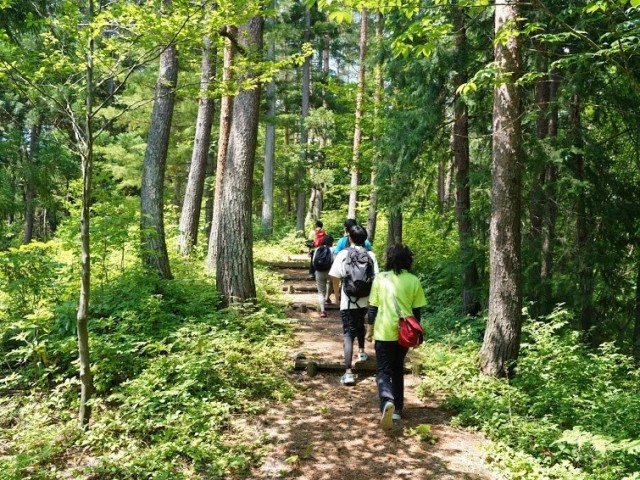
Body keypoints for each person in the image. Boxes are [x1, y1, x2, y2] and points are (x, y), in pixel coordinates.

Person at [366, 243, 426, 430]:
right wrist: (417, 337)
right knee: (397, 368)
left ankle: (386, 401)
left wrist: (369, 330)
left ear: (389, 259)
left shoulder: (380, 279)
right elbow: (417, 313)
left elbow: (372, 309)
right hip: (404, 334)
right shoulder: (414, 280)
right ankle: (398, 409)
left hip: (384, 331)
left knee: (383, 370)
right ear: (408, 260)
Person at [329, 225, 379, 386]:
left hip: (348, 300)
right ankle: (362, 352)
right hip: (365, 299)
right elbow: (376, 279)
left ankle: (349, 372)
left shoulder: (343, 254)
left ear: (349, 238)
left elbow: (335, 277)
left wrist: (336, 295)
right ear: (365, 239)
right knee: (360, 324)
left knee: (348, 333)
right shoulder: (371, 255)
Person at [312, 235, 334, 318]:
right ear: (331, 242)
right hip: (330, 271)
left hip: (319, 271)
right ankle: (327, 298)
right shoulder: (332, 249)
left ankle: (322, 310)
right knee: (331, 284)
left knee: (321, 292)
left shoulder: (318, 249)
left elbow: (313, 261)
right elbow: (334, 261)